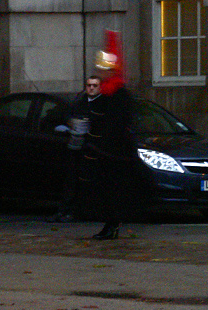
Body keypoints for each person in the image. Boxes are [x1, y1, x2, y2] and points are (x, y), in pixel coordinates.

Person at [73, 30, 141, 240]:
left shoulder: (118, 95)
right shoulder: (108, 94)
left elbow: (117, 123)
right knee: (106, 190)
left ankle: (113, 223)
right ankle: (110, 223)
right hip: (107, 150)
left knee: (113, 191)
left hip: (115, 152)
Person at [49, 74, 99, 222]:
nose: (91, 88)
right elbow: (67, 116)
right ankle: (65, 209)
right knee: (70, 179)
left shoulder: (101, 104)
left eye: (94, 85)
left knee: (85, 180)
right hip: (75, 146)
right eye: (89, 85)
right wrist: (70, 122)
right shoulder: (80, 101)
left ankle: (77, 211)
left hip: (90, 148)